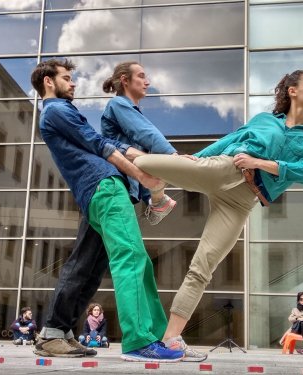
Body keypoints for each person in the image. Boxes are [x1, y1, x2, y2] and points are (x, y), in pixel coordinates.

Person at [133, 70, 303, 356]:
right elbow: (230, 138)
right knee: (147, 163)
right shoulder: (263, 120)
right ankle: (146, 185)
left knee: (202, 268)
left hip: (242, 201)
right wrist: (196, 158)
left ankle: (171, 339)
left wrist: (260, 162)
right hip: (226, 170)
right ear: (293, 91)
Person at [30, 58, 182, 362]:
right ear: (48, 82)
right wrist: (141, 175)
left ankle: (56, 332)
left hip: (94, 194)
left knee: (87, 266)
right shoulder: (59, 110)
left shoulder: (55, 114)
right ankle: (141, 340)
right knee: (133, 257)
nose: (73, 83)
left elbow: (105, 144)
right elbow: (101, 144)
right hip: (105, 187)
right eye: (67, 78)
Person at [101, 61, 177, 225]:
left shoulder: (128, 111)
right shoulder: (117, 104)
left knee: (99, 248)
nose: (147, 82)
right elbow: (144, 132)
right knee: (123, 246)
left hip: (121, 190)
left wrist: (151, 198)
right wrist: (173, 155)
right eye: (141, 76)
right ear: (125, 80)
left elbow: (139, 161)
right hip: (113, 187)